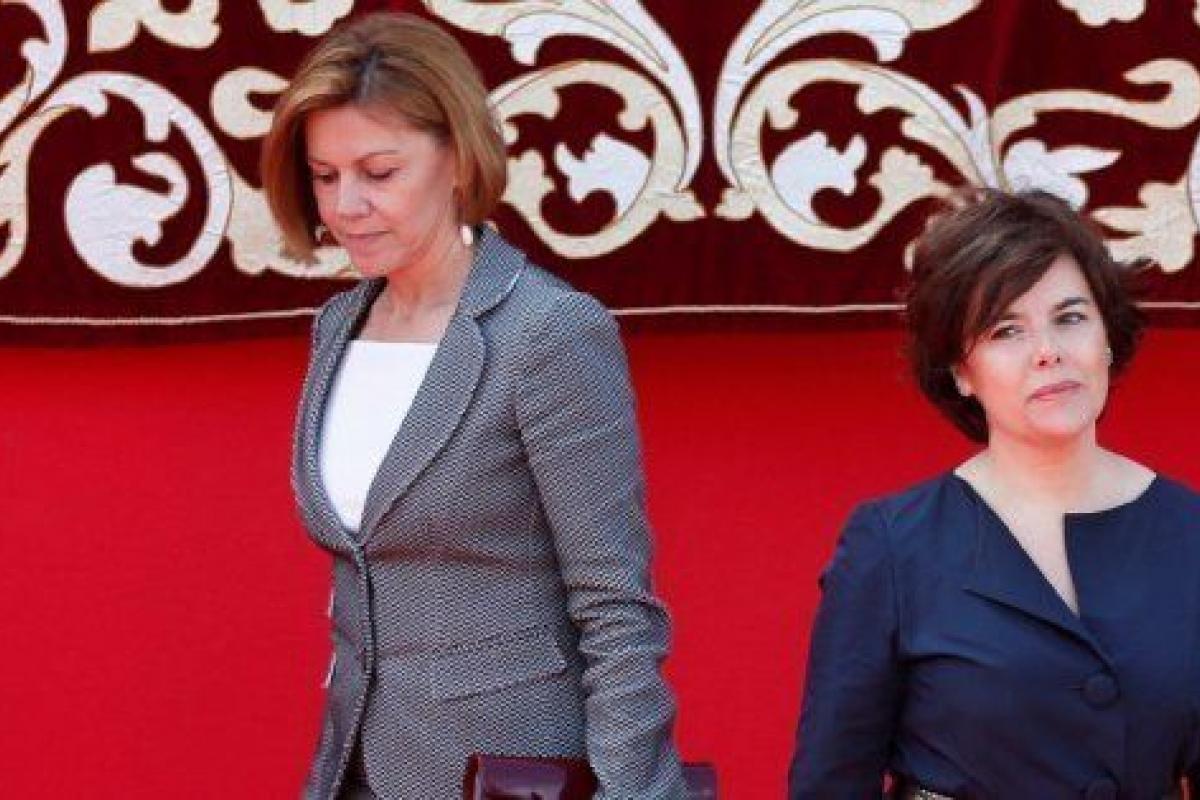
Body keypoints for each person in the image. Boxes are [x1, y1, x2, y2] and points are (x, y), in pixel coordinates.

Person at [260, 12, 686, 800]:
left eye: (379, 172)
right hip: (354, 768)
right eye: (324, 175)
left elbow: (617, 612)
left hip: (507, 774)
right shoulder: (337, 327)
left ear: (457, 157)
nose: (347, 204)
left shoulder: (549, 332)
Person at [788, 188, 1200, 798]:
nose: (1048, 353)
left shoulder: (1189, 531)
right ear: (961, 370)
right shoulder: (895, 545)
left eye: (1070, 317)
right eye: (1007, 329)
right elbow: (832, 783)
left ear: (1108, 338)